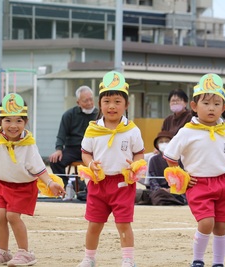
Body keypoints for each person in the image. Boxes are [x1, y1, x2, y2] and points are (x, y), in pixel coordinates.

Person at [163, 73, 225, 267]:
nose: (211, 108)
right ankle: (197, 260)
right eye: (206, 103)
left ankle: (218, 263)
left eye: (217, 104)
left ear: (223, 108)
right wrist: (182, 177)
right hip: (199, 184)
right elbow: (170, 158)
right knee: (206, 222)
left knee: (222, 226)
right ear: (194, 106)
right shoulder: (187, 131)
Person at [0, 93, 65, 266]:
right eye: (8, 120)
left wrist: (50, 183)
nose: (13, 126)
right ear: (1, 120)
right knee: (0, 216)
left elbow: (39, 169)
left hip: (24, 187)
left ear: (25, 122)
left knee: (12, 216)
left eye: (19, 121)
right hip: (3, 185)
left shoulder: (29, 143)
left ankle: (25, 253)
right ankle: (3, 252)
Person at [76, 71, 144, 267]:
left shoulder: (132, 130)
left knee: (123, 224)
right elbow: (85, 153)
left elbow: (139, 153)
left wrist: (136, 165)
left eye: (117, 101)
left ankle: (128, 260)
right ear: (100, 104)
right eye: (107, 101)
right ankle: (89, 258)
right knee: (94, 224)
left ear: (126, 104)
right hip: (98, 183)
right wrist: (90, 164)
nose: (111, 106)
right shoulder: (92, 129)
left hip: (123, 184)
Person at [49, 85, 98, 188]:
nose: (89, 103)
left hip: (92, 150)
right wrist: (58, 149)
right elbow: (61, 134)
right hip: (73, 149)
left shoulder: (99, 115)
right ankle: (66, 186)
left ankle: (93, 188)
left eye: (91, 100)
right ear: (78, 102)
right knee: (55, 161)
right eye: (85, 101)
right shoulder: (69, 115)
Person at [145, 130, 186, 205]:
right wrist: (161, 189)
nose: (164, 143)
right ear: (157, 145)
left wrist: (172, 189)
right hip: (159, 191)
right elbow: (152, 179)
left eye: (167, 141)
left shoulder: (180, 159)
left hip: (178, 191)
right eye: (161, 142)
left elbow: (184, 178)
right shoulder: (153, 159)